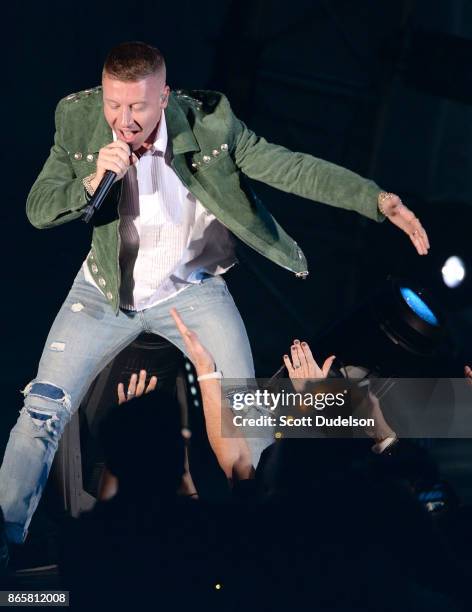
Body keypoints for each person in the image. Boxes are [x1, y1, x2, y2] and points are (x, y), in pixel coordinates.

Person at [0, 40, 429, 561]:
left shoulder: (211, 126)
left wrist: (377, 200)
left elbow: (292, 168)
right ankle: (6, 545)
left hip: (193, 291)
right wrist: (90, 181)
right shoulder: (78, 119)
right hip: (104, 292)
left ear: (164, 96)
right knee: (42, 410)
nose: (123, 120)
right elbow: (38, 208)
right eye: (113, 104)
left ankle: (270, 541)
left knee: (245, 416)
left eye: (136, 106)